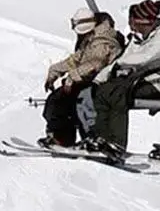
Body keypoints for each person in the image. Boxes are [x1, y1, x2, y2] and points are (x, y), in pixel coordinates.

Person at [82, 0, 160, 159]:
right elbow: (128, 57)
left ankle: (116, 144)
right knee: (104, 90)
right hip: (142, 78)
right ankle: (101, 138)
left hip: (157, 83)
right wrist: (100, 78)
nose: (133, 26)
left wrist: (120, 64)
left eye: (136, 23)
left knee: (118, 93)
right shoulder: (143, 34)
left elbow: (144, 58)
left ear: (145, 23)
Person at [39, 8, 123, 148]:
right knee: (57, 100)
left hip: (102, 82)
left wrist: (73, 76)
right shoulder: (90, 38)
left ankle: (92, 138)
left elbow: (96, 63)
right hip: (88, 80)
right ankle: (61, 137)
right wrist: (54, 71)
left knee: (80, 101)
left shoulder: (104, 41)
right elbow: (76, 60)